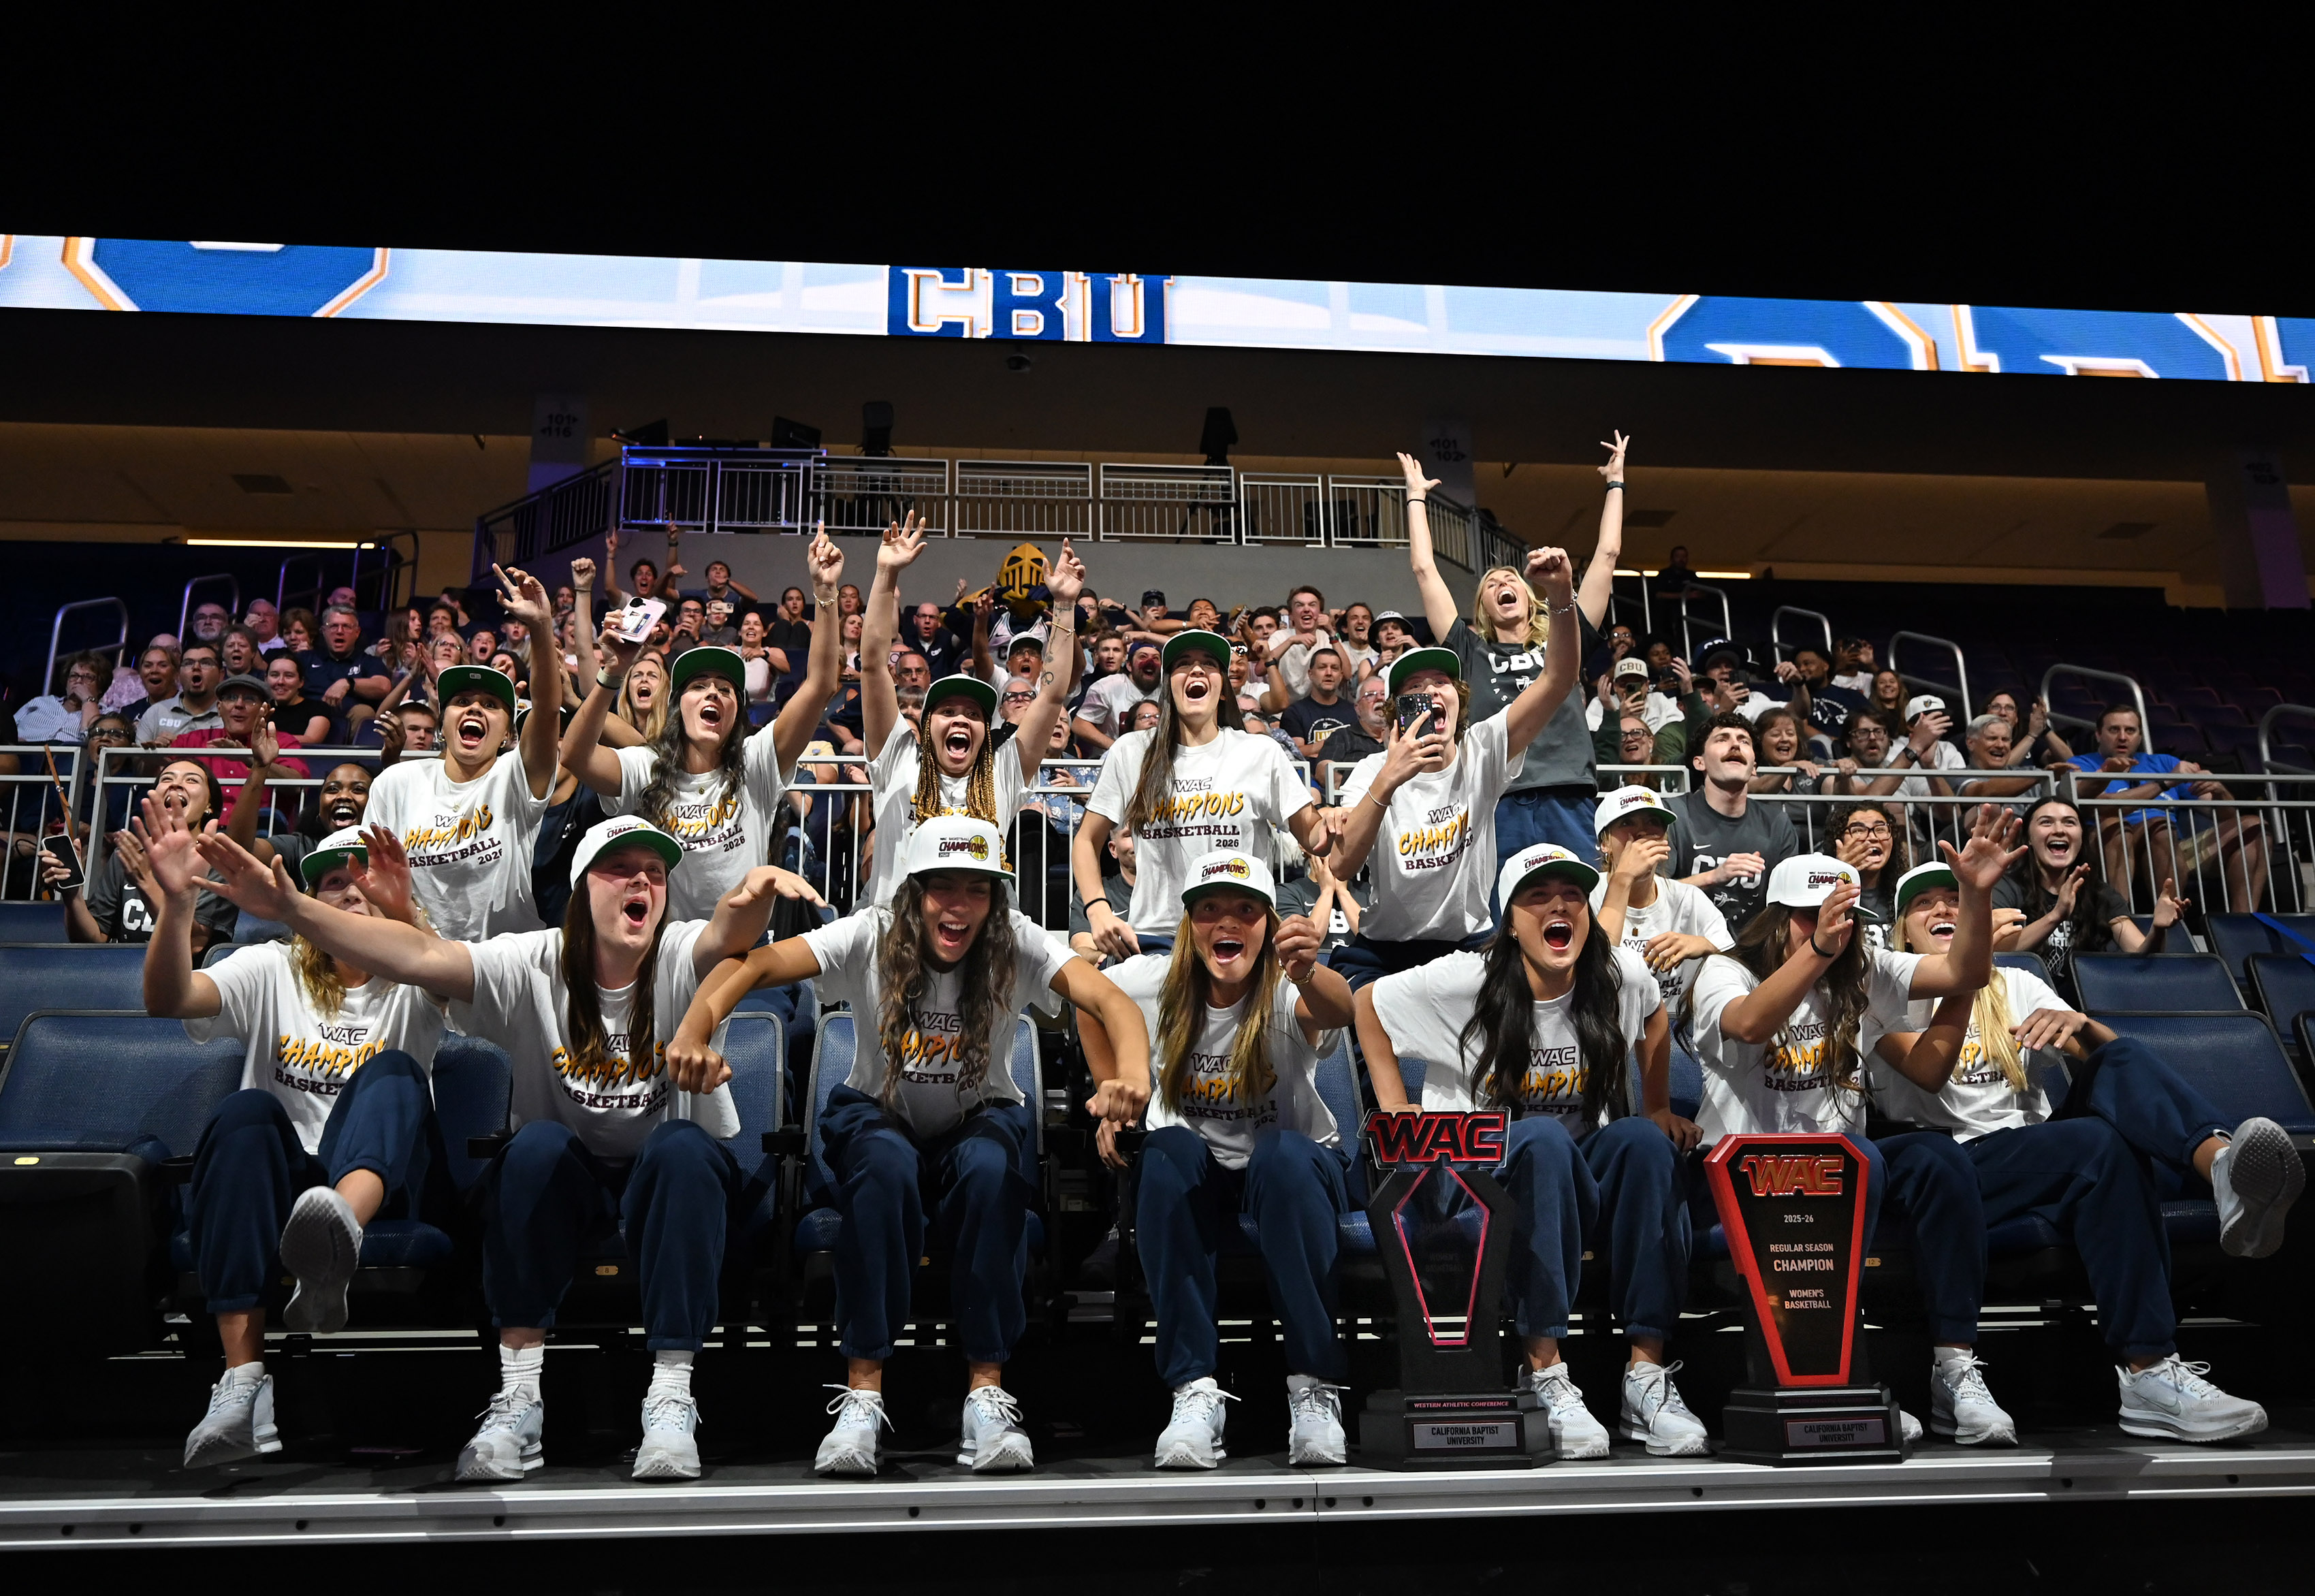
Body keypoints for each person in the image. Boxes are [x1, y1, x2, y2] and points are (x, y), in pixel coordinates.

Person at [195, 812, 812, 1482]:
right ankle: (519, 1397)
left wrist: (753, 896)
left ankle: (670, 1397)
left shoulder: (675, 953)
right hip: (567, 1179)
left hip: (667, 1180)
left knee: (684, 1147)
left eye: (656, 873)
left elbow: (728, 935)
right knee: (533, 1147)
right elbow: (417, 958)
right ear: (582, 889)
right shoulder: (533, 960)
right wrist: (292, 907)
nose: (643, 881)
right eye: (622, 869)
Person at [669, 816, 1147, 1474]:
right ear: (913, 892)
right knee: (885, 1165)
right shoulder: (869, 933)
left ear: (995, 900)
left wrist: (1133, 1080)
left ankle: (987, 1394)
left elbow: (1113, 1003)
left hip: (979, 1117)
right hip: (881, 1113)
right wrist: (694, 1031)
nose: (958, 905)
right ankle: (863, 1395)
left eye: (976, 890)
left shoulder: (1016, 943)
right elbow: (755, 965)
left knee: (989, 1167)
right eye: (942, 887)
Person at [1867, 860, 2289, 1439]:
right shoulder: (1884, 993)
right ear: (1902, 931)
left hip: (2042, 1150)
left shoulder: (2018, 982)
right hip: (1955, 1168)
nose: (1943, 910)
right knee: (2100, 1148)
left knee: (2115, 1066)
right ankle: (2148, 1370)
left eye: (1955, 899)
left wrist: (2080, 1025)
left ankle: (2219, 1168)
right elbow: (1930, 1072)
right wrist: (1970, 970)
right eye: (1924, 904)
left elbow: (2117, 1063)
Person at [1686, 810, 2027, 1444]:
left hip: (1844, 1177)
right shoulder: (1723, 971)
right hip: (1744, 1177)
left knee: (1934, 1157)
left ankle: (1954, 1369)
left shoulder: (1860, 967)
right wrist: (1818, 953)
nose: (1835, 933)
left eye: (1844, 920)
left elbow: (1962, 976)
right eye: (1813, 918)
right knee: (1858, 1161)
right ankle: (1839, 1370)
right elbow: (1749, 1025)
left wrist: (1976, 897)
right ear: (1775, 919)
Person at [1358, 842, 1708, 1458]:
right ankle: (1543, 1370)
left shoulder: (1616, 975)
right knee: (1542, 1138)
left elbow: (1654, 1015)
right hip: (1476, 1179)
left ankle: (1645, 1379)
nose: (1560, 907)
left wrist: (1655, 1106)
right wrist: (1395, 1111)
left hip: (1575, 1172)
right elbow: (1367, 1005)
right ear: (1512, 921)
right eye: (1538, 897)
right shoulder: (1466, 979)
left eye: (1573, 894)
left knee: (1645, 1144)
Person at [137, 806, 445, 1466]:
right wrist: (177, 903)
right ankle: (244, 1383)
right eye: (333, 881)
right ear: (304, 899)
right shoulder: (269, 964)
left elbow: (456, 976)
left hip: (381, 1180)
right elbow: (169, 1000)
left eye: (365, 877)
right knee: (243, 1113)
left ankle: (340, 1229)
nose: (352, 889)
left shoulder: (419, 971)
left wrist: (409, 914)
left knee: (393, 1070)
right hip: (284, 1188)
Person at [1099, 850, 1360, 1467]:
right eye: (1211, 908)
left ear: (1269, 924)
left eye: (1247, 910)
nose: (1228, 923)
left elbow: (1340, 1009)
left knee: (1283, 1156)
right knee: (1165, 1151)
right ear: (1189, 924)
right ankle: (1194, 1391)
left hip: (1290, 1178)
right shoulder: (1152, 983)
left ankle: (1315, 1389)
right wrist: (1114, 1087)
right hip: (1202, 1178)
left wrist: (1308, 971)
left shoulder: (1285, 987)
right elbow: (1091, 1002)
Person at [1324, 549, 1581, 986]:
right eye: (1414, 689)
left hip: (1468, 947)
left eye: (1441, 683)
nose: (1430, 692)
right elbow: (1342, 866)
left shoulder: (1482, 747)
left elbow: (1557, 678)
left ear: (1461, 698)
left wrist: (1559, 594)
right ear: (1395, 712)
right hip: (1384, 950)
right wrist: (1389, 779)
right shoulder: (1371, 770)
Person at [563, 532, 845, 923]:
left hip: (741, 953)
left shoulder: (757, 759)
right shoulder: (647, 766)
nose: (713, 693)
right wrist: (612, 673)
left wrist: (825, 592)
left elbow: (819, 685)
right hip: (666, 954)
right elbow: (575, 755)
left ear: (736, 711)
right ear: (678, 706)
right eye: (699, 686)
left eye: (726, 689)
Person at [1405, 433, 1628, 863]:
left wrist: (1615, 483)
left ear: (1531, 595)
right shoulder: (1469, 650)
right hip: (1495, 799)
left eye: (1511, 580)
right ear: (1484, 607)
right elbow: (1424, 570)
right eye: (1491, 585)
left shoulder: (1567, 634)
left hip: (1567, 793)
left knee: (1575, 908)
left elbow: (1608, 555)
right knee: (1500, 920)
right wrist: (1416, 499)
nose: (1502, 585)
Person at [1075, 627, 1336, 961]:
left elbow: (1314, 837)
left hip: (1239, 938)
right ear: (1168, 686)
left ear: (1223, 690)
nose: (1196, 670)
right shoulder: (1132, 751)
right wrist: (1097, 908)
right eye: (1183, 664)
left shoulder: (1260, 752)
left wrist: (1333, 821)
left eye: (1209, 664)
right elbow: (1085, 840)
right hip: (1156, 940)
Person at [858, 518, 1080, 908]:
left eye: (973, 714)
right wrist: (885, 575)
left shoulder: (1003, 770)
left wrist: (1063, 606)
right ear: (925, 726)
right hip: (894, 937)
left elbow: (1051, 694)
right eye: (947, 711)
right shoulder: (897, 758)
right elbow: (874, 664)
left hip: (984, 944)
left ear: (987, 729)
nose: (961, 718)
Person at [362, 566, 563, 940]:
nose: (474, 709)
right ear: (442, 725)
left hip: (500, 968)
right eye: (462, 701)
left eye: (490, 704)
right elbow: (374, 881)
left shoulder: (515, 777)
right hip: (416, 963)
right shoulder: (396, 783)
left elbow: (548, 708)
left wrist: (541, 626)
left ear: (508, 734)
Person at [2069, 704, 2267, 912]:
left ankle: (2244, 924)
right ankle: (2135, 919)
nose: (2122, 737)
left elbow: (2223, 816)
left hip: (2171, 847)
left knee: (2254, 827)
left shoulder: (2164, 763)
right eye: (2114, 730)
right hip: (2110, 843)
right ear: (2099, 735)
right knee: (2154, 825)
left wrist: (2220, 792)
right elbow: (2101, 807)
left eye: (2130, 730)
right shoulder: (2083, 764)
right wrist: (2164, 783)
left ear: (2140, 736)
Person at [1995, 795, 2186, 1001]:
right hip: (2018, 1000)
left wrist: (2158, 930)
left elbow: (2141, 955)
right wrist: (2056, 915)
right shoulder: (2006, 887)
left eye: (2070, 822)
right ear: (2029, 839)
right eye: (2046, 822)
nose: (2059, 830)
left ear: (2081, 838)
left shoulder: (2099, 893)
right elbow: (1997, 952)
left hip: (2081, 1006)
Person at [44, 759, 239, 957]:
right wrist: (72, 895)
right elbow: (93, 939)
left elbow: (192, 944)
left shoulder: (219, 863)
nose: (176, 783)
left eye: (192, 780)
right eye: (167, 779)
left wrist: (146, 880)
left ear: (209, 805)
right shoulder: (128, 857)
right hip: (124, 977)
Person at [1590, 786, 1731, 1010]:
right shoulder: (1585, 895)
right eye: (1627, 823)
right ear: (1605, 843)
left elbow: (1738, 964)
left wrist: (1705, 945)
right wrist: (1624, 877)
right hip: (1607, 1021)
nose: (1642, 833)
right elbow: (1595, 971)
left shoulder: (1689, 899)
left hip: (1677, 1023)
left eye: (1653, 823)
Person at [1665, 712, 1799, 931]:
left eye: (1743, 741)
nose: (1735, 745)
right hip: (1683, 950)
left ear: (1754, 767)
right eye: (1722, 739)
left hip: (1753, 956)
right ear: (1700, 763)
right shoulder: (1673, 814)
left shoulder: (1777, 823)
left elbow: (1788, 907)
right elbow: (1650, 894)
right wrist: (1714, 876)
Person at [172, 674, 311, 788]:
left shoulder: (283, 742)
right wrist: (152, 753)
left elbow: (297, 785)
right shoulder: (193, 740)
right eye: (231, 698)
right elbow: (161, 767)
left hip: (260, 822)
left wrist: (250, 760)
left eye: (250, 699)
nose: (239, 705)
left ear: (265, 709)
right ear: (219, 708)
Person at [300, 604, 393, 735]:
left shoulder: (368, 661)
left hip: (349, 716)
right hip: (306, 715)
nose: (339, 631)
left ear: (357, 633)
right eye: (333, 626)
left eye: (346, 626)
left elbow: (383, 686)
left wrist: (348, 683)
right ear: (323, 631)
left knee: (364, 712)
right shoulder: (305, 658)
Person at [1828, 800, 1907, 949]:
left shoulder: (1907, 890)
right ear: (1839, 841)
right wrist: (1842, 872)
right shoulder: (1823, 893)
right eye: (1858, 830)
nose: (1872, 837)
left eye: (1880, 829)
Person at [1074, 637, 1164, 753]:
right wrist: (1118, 748)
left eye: (1156, 658)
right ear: (1129, 665)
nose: (1150, 662)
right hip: (1112, 759)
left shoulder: (1168, 690)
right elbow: (1079, 725)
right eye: (1143, 657)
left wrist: (1145, 635)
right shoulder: (1107, 686)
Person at [138, 640, 224, 745]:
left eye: (206, 663)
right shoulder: (156, 713)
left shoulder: (231, 715)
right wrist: (156, 755)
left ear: (221, 675)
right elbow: (138, 759)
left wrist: (181, 745)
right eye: (188, 663)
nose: (196, 667)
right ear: (178, 674)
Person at [1313, 675, 1388, 795]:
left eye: (1384, 694)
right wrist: (1347, 788)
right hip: (1354, 801)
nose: (1379, 698)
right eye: (1370, 695)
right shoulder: (1343, 736)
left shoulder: (1402, 736)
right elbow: (1323, 769)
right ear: (1357, 708)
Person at [15, 651, 112, 744]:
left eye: (87, 677)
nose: (78, 681)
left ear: (100, 687)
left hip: (65, 759)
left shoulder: (106, 715)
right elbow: (6, 729)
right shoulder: (40, 702)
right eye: (73, 676)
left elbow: (93, 741)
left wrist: (88, 700)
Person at [1276, 646, 1355, 759]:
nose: (1329, 673)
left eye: (1335, 668)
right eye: (1322, 668)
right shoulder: (1295, 713)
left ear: (1341, 675)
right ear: (1310, 674)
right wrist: (1334, 741)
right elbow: (1295, 753)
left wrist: (1313, 749)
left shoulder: (1354, 712)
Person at [265, 652, 336, 746]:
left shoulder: (318, 708)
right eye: (275, 675)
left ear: (301, 682)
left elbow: (312, 740)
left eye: (289, 676)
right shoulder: (261, 709)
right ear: (266, 679)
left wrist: (265, 740)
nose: (281, 681)